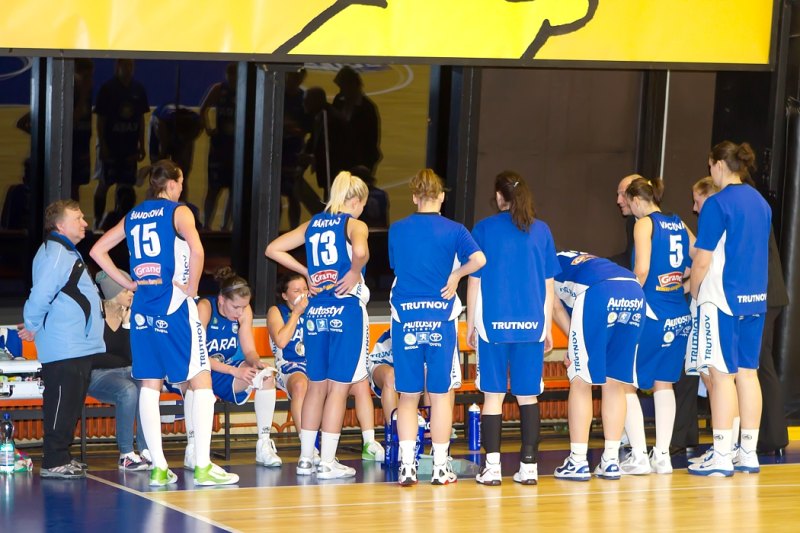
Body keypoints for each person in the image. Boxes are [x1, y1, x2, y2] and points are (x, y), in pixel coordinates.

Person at [90, 159, 239, 487]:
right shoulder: (178, 212)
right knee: (201, 381)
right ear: (171, 183)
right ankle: (203, 466)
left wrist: (128, 283)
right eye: (181, 182)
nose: (182, 188)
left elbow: (98, 251)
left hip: (143, 309)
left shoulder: (134, 215)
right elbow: (197, 252)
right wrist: (193, 288)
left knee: (149, 385)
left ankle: (158, 467)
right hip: (174, 305)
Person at [265, 170, 371, 479]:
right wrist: (354, 271)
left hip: (316, 312)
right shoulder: (354, 224)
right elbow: (361, 251)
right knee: (338, 389)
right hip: (344, 311)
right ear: (356, 200)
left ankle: (305, 459)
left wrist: (306, 272)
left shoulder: (313, 224)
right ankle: (327, 462)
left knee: (316, 387)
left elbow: (272, 249)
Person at [388, 168, 486, 486]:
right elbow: (479, 260)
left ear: (414, 196)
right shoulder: (455, 230)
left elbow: (396, 266)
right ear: (441, 196)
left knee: (408, 395)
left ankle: (407, 466)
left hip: (405, 318)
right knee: (440, 395)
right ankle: (441, 467)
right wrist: (456, 275)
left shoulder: (397, 229)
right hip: (440, 318)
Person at [466, 171, 559, 486]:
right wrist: (547, 328)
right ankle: (529, 466)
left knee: (493, 396)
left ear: (498, 196)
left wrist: (471, 323)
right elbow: (549, 286)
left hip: (493, 326)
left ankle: (492, 468)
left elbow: (474, 281)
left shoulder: (484, 229)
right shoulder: (541, 230)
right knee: (528, 397)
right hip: (532, 326)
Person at [688, 141, 771, 477]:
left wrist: (696, 294)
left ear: (719, 164)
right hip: (755, 298)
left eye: (710, 166)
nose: (710, 171)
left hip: (722, 299)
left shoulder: (717, 203)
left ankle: (722, 454)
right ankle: (747, 453)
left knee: (721, 377)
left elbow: (702, 260)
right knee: (748, 374)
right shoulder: (761, 202)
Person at [19, 199, 105, 479]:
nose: (85, 223)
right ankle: (54, 461)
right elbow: (40, 294)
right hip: (64, 346)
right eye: (78, 218)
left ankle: (61, 457)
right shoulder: (56, 253)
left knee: (69, 404)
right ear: (60, 225)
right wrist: (31, 325)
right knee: (60, 403)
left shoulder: (66, 252)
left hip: (75, 345)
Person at [618, 177, 693, 476]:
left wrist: (626, 299)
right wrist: (683, 285)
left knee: (624, 382)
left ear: (637, 200)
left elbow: (642, 269)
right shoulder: (678, 222)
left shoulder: (644, 224)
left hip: (651, 312)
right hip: (678, 313)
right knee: (664, 383)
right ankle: (661, 456)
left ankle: (638, 455)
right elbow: (699, 256)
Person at [267, 273, 386, 463]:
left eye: (305, 289)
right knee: (302, 385)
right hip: (290, 366)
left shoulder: (318, 306)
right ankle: (309, 447)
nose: (303, 293)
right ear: (284, 295)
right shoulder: (277, 311)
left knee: (360, 384)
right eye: (296, 290)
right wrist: (297, 313)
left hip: (318, 362)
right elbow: (281, 341)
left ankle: (369, 443)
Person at [551, 251, 644, 481]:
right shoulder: (572, 258)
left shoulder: (542, 267)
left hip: (599, 291)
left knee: (580, 380)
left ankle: (577, 461)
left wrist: (575, 346)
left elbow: (555, 309)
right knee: (615, 382)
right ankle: (611, 460)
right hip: (634, 291)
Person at [179, 267, 281, 469]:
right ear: (221, 300)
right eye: (236, 307)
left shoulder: (243, 312)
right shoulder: (205, 308)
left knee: (266, 376)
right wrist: (234, 371)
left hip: (223, 368)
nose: (240, 312)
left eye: (244, 307)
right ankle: (192, 449)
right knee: (194, 384)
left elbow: (249, 350)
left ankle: (263, 444)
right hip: (195, 367)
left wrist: (257, 362)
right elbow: (196, 355)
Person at [91, 271, 150, 471]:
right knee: (128, 390)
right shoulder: (95, 316)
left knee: (147, 387)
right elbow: (93, 358)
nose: (132, 293)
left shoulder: (131, 315)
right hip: (98, 375)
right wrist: (120, 360)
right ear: (113, 293)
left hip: (126, 370)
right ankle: (126, 454)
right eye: (126, 290)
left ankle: (146, 450)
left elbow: (131, 357)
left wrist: (126, 325)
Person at [94, 59, 149, 228]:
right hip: (111, 146)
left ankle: (122, 224)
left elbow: (141, 119)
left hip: (129, 147)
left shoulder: (138, 89)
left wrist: (141, 144)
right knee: (104, 183)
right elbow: (101, 120)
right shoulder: (107, 89)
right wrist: (102, 145)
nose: (128, 69)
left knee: (125, 186)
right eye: (125, 65)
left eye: (131, 65)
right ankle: (97, 222)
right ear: (117, 67)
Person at [200, 63, 237, 230]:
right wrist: (208, 128)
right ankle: (207, 224)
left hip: (237, 148)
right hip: (219, 146)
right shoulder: (219, 89)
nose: (233, 78)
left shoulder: (245, 90)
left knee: (235, 189)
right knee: (213, 188)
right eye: (231, 74)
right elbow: (203, 109)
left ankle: (225, 227)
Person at [332, 66, 382, 174]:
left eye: (343, 87)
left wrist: (364, 165)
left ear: (353, 85)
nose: (341, 91)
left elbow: (371, 139)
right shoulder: (338, 100)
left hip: (360, 161)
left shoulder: (367, 108)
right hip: (340, 159)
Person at [609, 174, 641, 268]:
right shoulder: (632, 221)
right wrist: (600, 263)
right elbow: (629, 257)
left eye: (623, 195)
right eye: (618, 195)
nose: (618, 201)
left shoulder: (658, 224)